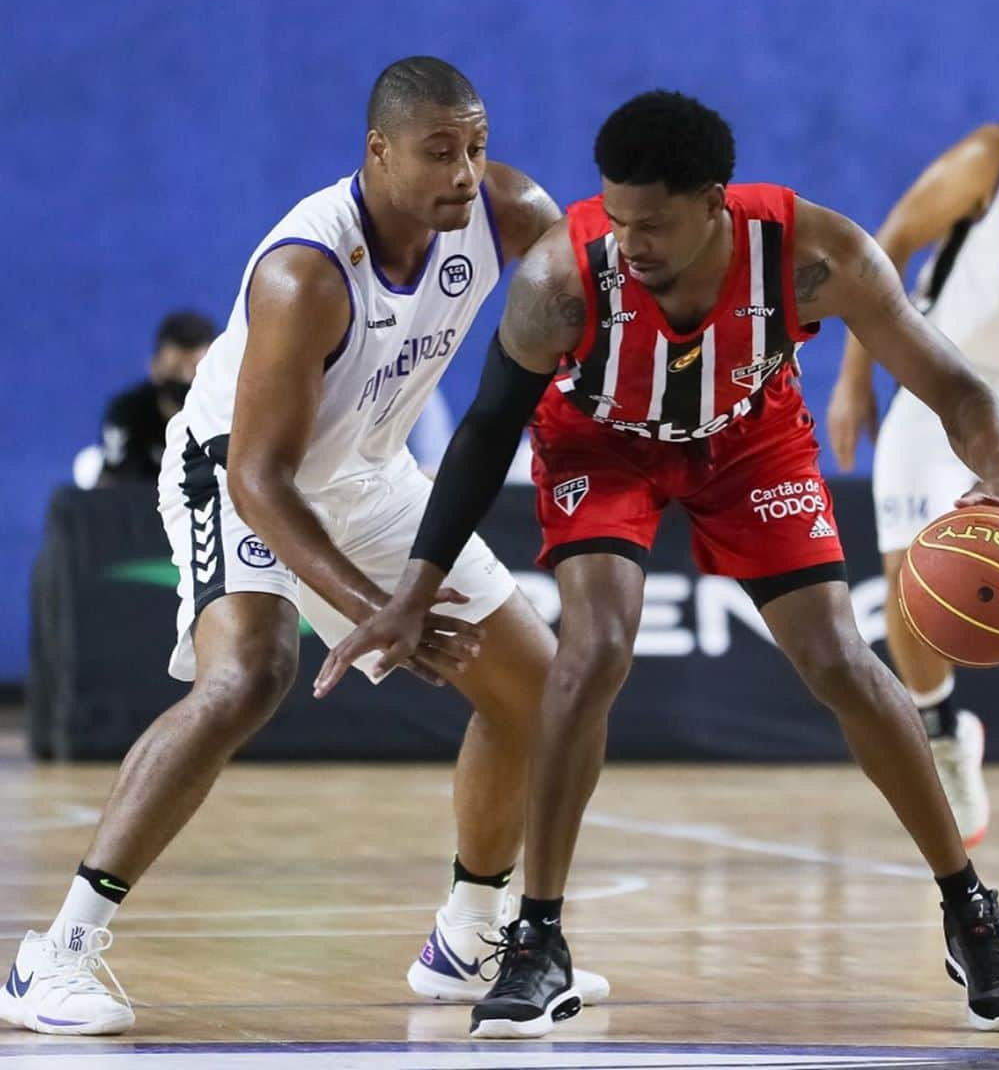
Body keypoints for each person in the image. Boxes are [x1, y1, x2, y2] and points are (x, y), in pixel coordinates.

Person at [316, 90, 999, 1040]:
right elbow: (485, 431)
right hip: (601, 445)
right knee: (592, 652)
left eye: (655, 225)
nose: (630, 242)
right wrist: (414, 588)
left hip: (750, 442)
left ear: (717, 202)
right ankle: (538, 939)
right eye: (619, 218)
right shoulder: (560, 276)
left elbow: (954, 384)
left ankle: (971, 911)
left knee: (840, 658)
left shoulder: (812, 254)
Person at [0, 56, 607, 1037]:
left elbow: (602, 283)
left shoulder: (503, 212)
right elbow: (257, 479)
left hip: (367, 468)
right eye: (439, 151)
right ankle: (54, 955)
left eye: (476, 147)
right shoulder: (306, 273)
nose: (464, 172)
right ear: (377, 153)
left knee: (532, 688)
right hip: (235, 469)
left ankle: (465, 935)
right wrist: (377, 613)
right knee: (245, 677)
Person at [827, 36, 999, 860]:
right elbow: (886, 246)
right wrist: (855, 380)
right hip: (951, 388)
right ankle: (942, 731)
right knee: (910, 586)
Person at [97, 311, 216, 483]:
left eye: (196, 370)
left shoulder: (230, 417)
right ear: (154, 367)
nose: (185, 378)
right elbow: (111, 485)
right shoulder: (127, 413)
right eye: (175, 369)